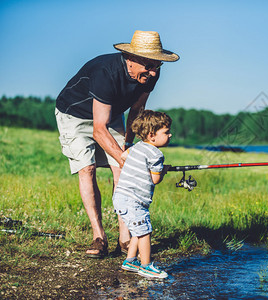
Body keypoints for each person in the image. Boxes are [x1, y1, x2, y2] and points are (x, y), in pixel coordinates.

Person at [55, 30, 179, 258]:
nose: (153, 72)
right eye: (149, 65)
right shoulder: (106, 73)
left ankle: (124, 237)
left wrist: (129, 145)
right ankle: (99, 236)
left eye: (157, 66)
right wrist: (128, 157)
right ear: (131, 59)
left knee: (122, 167)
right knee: (87, 168)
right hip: (74, 114)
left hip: (111, 114)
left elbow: (137, 110)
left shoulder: (151, 73)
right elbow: (98, 129)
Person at [113, 110, 172, 279]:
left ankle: (130, 261)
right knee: (145, 232)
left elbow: (124, 156)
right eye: (166, 132)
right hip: (134, 200)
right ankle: (146, 266)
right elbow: (155, 180)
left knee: (138, 230)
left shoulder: (137, 146)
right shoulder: (156, 154)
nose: (170, 135)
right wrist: (163, 170)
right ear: (152, 135)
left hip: (121, 197)